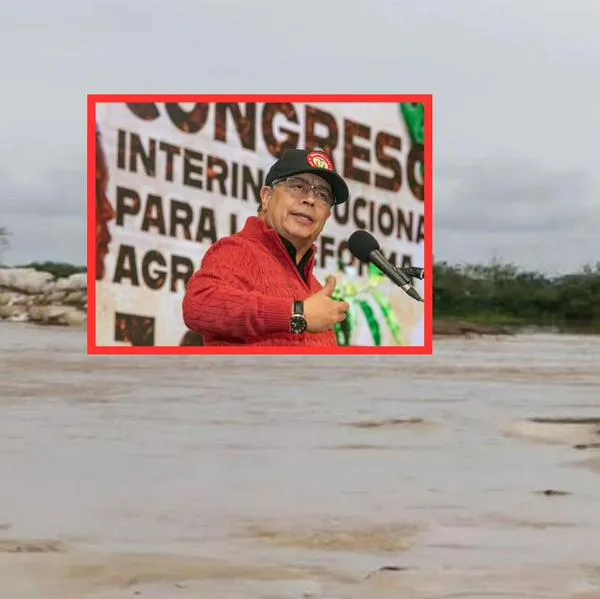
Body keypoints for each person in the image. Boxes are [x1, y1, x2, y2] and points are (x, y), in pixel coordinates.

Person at [182, 149, 351, 346]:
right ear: (266, 197)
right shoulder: (239, 250)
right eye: (298, 186)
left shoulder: (316, 291)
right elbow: (199, 305)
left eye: (323, 195)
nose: (310, 200)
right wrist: (296, 314)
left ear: (327, 216)